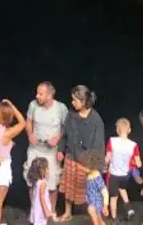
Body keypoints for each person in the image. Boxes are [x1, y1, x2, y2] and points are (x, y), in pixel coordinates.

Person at [57, 85, 105, 222]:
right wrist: (61, 149)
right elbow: (64, 133)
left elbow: (98, 144)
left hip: (87, 161)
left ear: (84, 101)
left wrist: (93, 165)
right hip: (72, 156)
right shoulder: (71, 114)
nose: (72, 102)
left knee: (92, 191)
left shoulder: (96, 119)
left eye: (75, 100)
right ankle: (67, 213)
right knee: (68, 186)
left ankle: (99, 219)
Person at [25, 82, 68, 215]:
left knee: (52, 182)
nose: (37, 96)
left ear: (50, 95)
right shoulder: (33, 105)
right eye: (37, 93)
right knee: (31, 180)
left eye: (41, 94)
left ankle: (51, 211)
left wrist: (59, 144)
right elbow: (29, 121)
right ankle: (35, 211)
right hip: (35, 149)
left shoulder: (61, 108)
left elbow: (66, 128)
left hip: (52, 151)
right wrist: (30, 134)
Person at [104, 118, 141, 221]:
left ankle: (115, 218)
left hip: (113, 175)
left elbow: (107, 158)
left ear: (117, 130)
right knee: (122, 189)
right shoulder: (133, 145)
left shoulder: (112, 141)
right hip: (125, 175)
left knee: (113, 198)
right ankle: (129, 210)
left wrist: (104, 165)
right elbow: (138, 163)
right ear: (129, 130)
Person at [81, 150, 108, 225]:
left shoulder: (96, 176)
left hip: (96, 202)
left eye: (84, 166)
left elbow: (105, 192)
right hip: (92, 201)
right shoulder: (89, 175)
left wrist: (105, 206)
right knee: (99, 219)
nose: (83, 168)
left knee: (91, 209)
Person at [27, 158, 55, 225]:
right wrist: (47, 211)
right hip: (41, 209)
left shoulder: (36, 181)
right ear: (41, 170)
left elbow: (31, 194)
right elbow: (42, 198)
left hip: (36, 207)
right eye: (47, 167)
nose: (48, 169)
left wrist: (33, 204)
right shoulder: (43, 183)